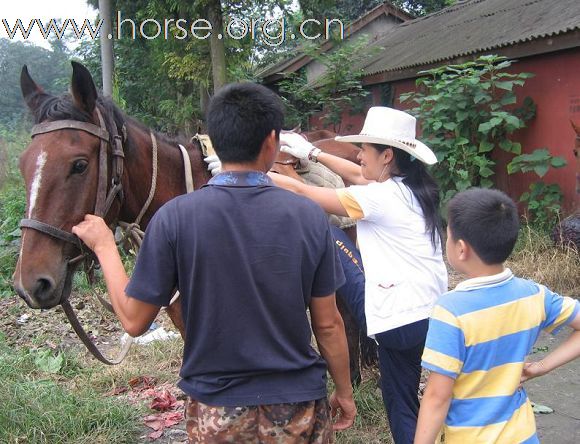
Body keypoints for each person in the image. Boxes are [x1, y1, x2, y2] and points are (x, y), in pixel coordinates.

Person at [72, 82, 356, 443]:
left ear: (214, 142)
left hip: (215, 413)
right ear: (272, 141)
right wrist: (344, 393)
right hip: (297, 406)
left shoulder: (174, 218)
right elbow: (328, 324)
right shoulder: (309, 217)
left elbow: (132, 320)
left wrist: (104, 246)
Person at [268, 107, 449, 444]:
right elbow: (356, 173)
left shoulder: (379, 199)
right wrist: (313, 153)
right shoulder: (412, 187)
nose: (358, 154)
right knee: (407, 394)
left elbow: (303, 193)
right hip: (430, 311)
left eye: (365, 148)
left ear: (388, 155)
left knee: (323, 228)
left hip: (397, 319)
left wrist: (251, 173)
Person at [415, 188, 580, 444]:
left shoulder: (450, 311)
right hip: (522, 436)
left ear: (461, 249)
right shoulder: (534, 295)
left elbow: (437, 397)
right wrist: (541, 367)